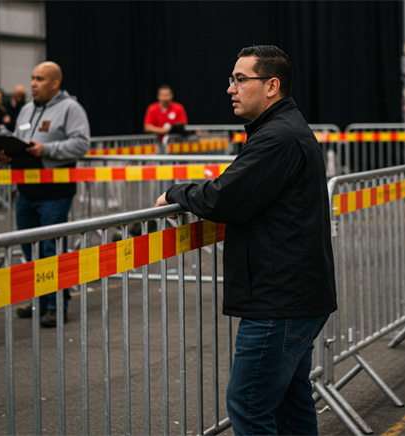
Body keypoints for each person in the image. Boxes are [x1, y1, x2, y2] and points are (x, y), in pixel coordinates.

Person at [154, 45, 337, 434]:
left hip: (279, 299)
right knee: (291, 404)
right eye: (231, 79)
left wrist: (176, 194)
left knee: (249, 405)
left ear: (272, 86)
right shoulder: (280, 130)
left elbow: (225, 197)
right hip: (294, 294)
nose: (230, 88)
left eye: (240, 79)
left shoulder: (278, 137)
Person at [0, 61, 91, 328]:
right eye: (32, 78)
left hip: (54, 193)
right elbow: (18, 140)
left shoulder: (71, 109)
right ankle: (38, 299)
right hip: (25, 191)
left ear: (55, 83)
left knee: (52, 249)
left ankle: (56, 305)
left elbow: (82, 143)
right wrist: (7, 153)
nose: (33, 84)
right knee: (30, 249)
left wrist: (46, 150)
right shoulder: (26, 110)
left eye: (39, 79)